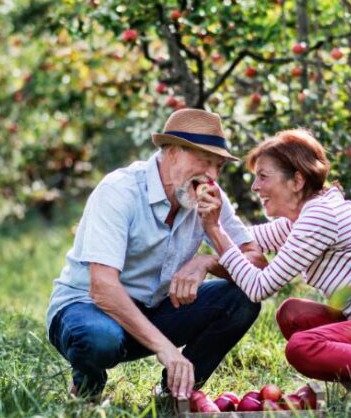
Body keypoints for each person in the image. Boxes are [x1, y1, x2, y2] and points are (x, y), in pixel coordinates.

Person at [197, 129, 351, 392]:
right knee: (292, 314)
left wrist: (214, 232)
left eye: (263, 176)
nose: (255, 187)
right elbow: (243, 240)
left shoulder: (320, 217)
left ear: (297, 180)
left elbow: (258, 287)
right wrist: (201, 215)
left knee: (301, 347)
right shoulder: (302, 219)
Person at [46, 109, 265, 400]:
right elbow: (102, 289)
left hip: (154, 309)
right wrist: (167, 349)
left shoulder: (210, 196)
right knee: (99, 339)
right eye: (204, 161)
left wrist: (208, 261)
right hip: (89, 309)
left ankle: (173, 393)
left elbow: (257, 264)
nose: (212, 176)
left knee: (243, 299)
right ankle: (87, 386)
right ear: (172, 152)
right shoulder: (119, 191)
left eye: (219, 167)